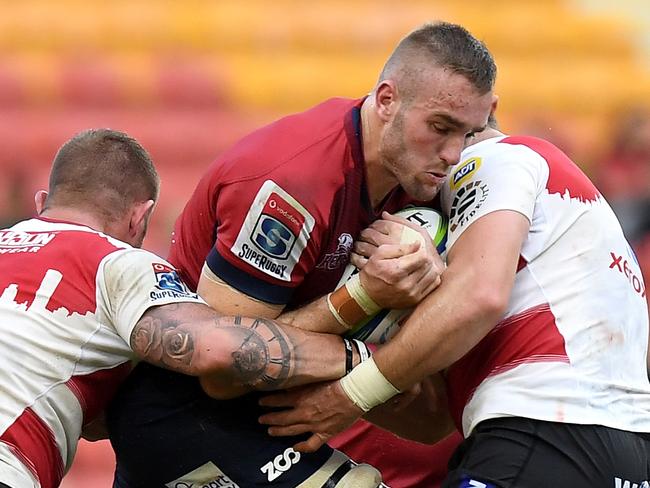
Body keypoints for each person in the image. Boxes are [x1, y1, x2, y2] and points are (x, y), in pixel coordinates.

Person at [106, 21, 497, 488]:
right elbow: (221, 371)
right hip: (186, 414)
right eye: (440, 127)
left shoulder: (424, 185)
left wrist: (437, 285)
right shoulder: (293, 184)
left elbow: (430, 422)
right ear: (387, 100)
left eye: (468, 134)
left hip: (265, 419)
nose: (455, 153)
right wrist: (364, 303)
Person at [259, 119, 650, 486]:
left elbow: (480, 296)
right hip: (631, 453)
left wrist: (349, 393)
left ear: (481, 117)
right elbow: (435, 422)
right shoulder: (573, 228)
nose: (442, 157)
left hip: (540, 432)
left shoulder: (495, 157)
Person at [0, 129, 385, 488]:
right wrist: (372, 360)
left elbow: (95, 421)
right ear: (140, 218)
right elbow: (221, 350)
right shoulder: (116, 263)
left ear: (41, 204)